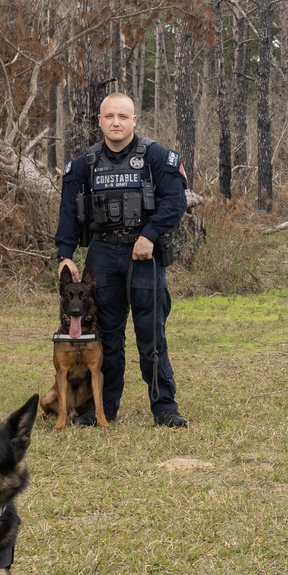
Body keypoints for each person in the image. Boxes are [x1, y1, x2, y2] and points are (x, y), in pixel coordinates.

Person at [55, 92, 189, 428]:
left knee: (151, 335)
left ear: (134, 121)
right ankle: (104, 410)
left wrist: (150, 234)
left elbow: (175, 202)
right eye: (109, 116)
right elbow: (68, 214)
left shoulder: (157, 157)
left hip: (144, 254)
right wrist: (64, 255)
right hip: (101, 255)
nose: (116, 122)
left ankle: (164, 407)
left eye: (123, 116)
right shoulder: (84, 164)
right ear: (99, 121)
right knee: (108, 337)